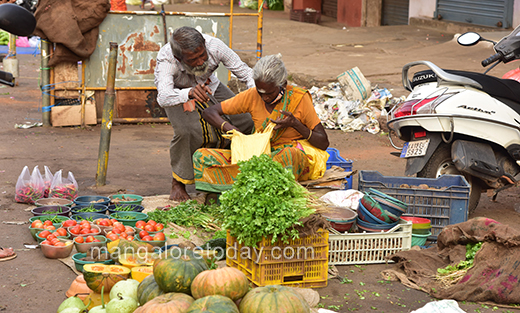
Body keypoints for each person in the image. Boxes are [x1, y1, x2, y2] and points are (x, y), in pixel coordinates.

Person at [193, 54, 329, 193]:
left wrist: (295, 124)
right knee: (201, 156)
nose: (264, 97)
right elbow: (209, 112)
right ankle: (249, 187)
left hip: (286, 159)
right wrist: (233, 130)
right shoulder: (252, 95)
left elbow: (323, 143)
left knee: (290, 155)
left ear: (283, 84)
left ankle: (243, 185)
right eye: (260, 92)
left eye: (269, 93)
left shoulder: (299, 98)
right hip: (257, 155)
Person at [154, 26, 255, 202]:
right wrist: (189, 93)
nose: (201, 61)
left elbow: (246, 73)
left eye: (203, 55)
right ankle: (178, 183)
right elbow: (163, 97)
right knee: (188, 131)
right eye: (194, 59)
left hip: (211, 87)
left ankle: (223, 173)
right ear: (179, 58)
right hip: (178, 93)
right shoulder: (167, 58)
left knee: (245, 120)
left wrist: (256, 96)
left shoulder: (215, 46)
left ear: (204, 44)